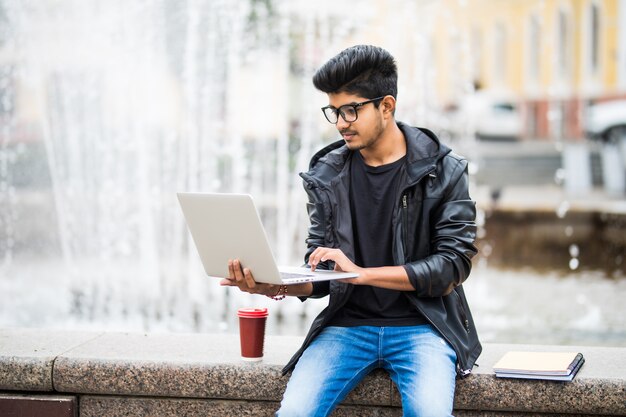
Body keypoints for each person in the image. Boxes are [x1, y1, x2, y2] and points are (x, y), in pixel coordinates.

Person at [220, 44, 481, 417]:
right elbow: (324, 273)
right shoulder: (326, 174)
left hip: (423, 327)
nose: (341, 122)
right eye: (334, 111)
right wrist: (271, 285)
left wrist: (361, 274)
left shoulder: (444, 170)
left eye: (351, 110)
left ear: (386, 106)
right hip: (346, 327)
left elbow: (451, 267)